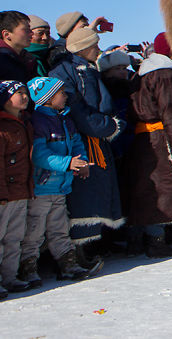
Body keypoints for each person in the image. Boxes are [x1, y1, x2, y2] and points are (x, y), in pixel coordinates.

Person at [48, 28, 125, 256]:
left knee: (98, 192)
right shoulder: (64, 71)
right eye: (94, 45)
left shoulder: (87, 68)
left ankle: (96, 241)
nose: (98, 50)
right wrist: (106, 126)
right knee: (83, 195)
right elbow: (76, 109)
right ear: (82, 47)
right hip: (80, 141)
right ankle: (79, 249)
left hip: (96, 140)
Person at [21, 77, 94, 286]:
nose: (66, 96)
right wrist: (67, 163)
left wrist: (81, 162)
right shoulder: (38, 121)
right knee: (34, 230)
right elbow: (39, 155)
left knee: (60, 228)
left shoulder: (65, 119)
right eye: (61, 93)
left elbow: (77, 143)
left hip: (61, 187)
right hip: (42, 188)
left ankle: (68, 264)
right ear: (47, 98)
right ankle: (27, 267)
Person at [125, 32, 172, 257]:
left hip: (144, 138)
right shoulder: (164, 74)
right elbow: (170, 113)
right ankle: (156, 241)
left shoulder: (144, 72)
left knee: (145, 187)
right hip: (161, 138)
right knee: (163, 188)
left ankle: (136, 240)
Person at [0, 81, 33, 296]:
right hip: (5, 194)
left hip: (21, 191)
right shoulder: (3, 127)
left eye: (25, 92)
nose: (24, 96)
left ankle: (10, 277)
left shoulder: (25, 122)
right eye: (18, 93)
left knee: (14, 238)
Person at [0, 11, 36, 83]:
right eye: (26, 30)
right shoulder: (2, 60)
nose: (32, 33)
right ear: (7, 34)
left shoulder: (28, 59)